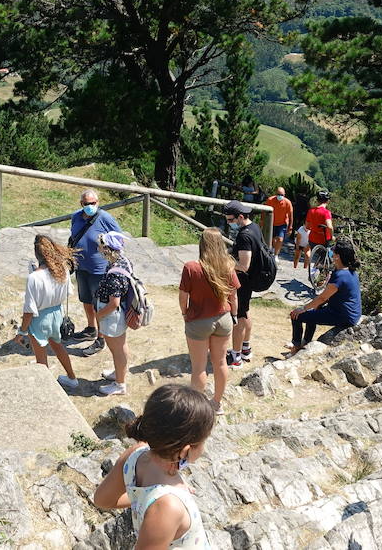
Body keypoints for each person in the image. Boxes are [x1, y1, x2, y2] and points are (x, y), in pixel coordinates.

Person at [92, 383, 215, 549]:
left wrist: (144, 501)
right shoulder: (168, 506)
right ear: (185, 450)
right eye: (203, 441)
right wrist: (162, 500)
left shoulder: (135, 454)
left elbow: (102, 499)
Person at [180, 228, 239, 413]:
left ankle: (197, 408)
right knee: (220, 362)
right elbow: (234, 297)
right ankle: (216, 403)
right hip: (223, 318)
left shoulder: (191, 267)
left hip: (198, 321)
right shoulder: (228, 266)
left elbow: (183, 297)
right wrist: (234, 316)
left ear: (202, 244)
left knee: (198, 367)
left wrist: (185, 314)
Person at [14, 234, 80, 391]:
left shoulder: (34, 277)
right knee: (58, 347)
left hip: (39, 320)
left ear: (37, 254)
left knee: (41, 358)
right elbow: (69, 292)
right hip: (57, 314)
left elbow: (29, 310)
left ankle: (46, 390)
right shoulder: (63, 269)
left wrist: (22, 331)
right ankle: (72, 378)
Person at [68, 188, 124, 349]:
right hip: (81, 266)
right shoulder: (76, 217)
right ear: (81, 204)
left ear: (98, 203)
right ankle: (91, 328)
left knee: (99, 303)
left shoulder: (105, 218)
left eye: (93, 203)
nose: (90, 206)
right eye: (87, 204)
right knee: (85, 300)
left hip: (99, 269)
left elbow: (120, 239)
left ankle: (100, 337)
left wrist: (108, 249)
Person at [287, 241, 361, 354]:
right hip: (350, 313)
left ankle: (296, 346)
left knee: (296, 315)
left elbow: (322, 298)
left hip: (343, 316)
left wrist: (302, 308)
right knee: (313, 311)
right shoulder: (350, 271)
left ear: (337, 256)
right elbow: (326, 298)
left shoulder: (340, 276)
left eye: (333, 252)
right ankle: (305, 342)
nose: (330, 253)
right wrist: (313, 307)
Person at [94, 231, 137, 397]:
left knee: (116, 350)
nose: (98, 249)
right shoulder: (124, 261)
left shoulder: (114, 274)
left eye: (100, 246)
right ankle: (119, 373)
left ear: (106, 249)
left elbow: (114, 303)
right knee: (121, 347)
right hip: (122, 313)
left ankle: (119, 384)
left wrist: (99, 316)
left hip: (113, 316)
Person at [222, 201, 263, 366]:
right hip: (251, 279)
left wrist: (224, 263)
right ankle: (245, 348)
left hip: (243, 281)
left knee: (238, 317)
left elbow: (243, 265)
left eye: (230, 220)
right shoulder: (254, 227)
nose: (229, 223)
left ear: (240, 217)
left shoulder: (244, 235)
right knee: (245, 313)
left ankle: (236, 356)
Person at [299, 191, 334, 274]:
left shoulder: (311, 211)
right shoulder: (326, 212)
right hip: (323, 240)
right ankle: (316, 273)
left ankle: (315, 271)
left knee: (322, 255)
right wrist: (332, 236)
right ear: (327, 201)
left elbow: (307, 226)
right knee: (329, 254)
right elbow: (329, 227)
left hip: (312, 239)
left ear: (317, 200)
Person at [265, 187, 294, 259]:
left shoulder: (287, 202)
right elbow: (264, 211)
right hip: (271, 222)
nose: (280, 196)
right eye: (278, 194)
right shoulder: (270, 200)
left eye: (281, 195)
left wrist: (290, 227)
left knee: (280, 239)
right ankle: (272, 250)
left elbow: (291, 216)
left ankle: (276, 255)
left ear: (284, 195)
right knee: (272, 239)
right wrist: (262, 221)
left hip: (282, 223)